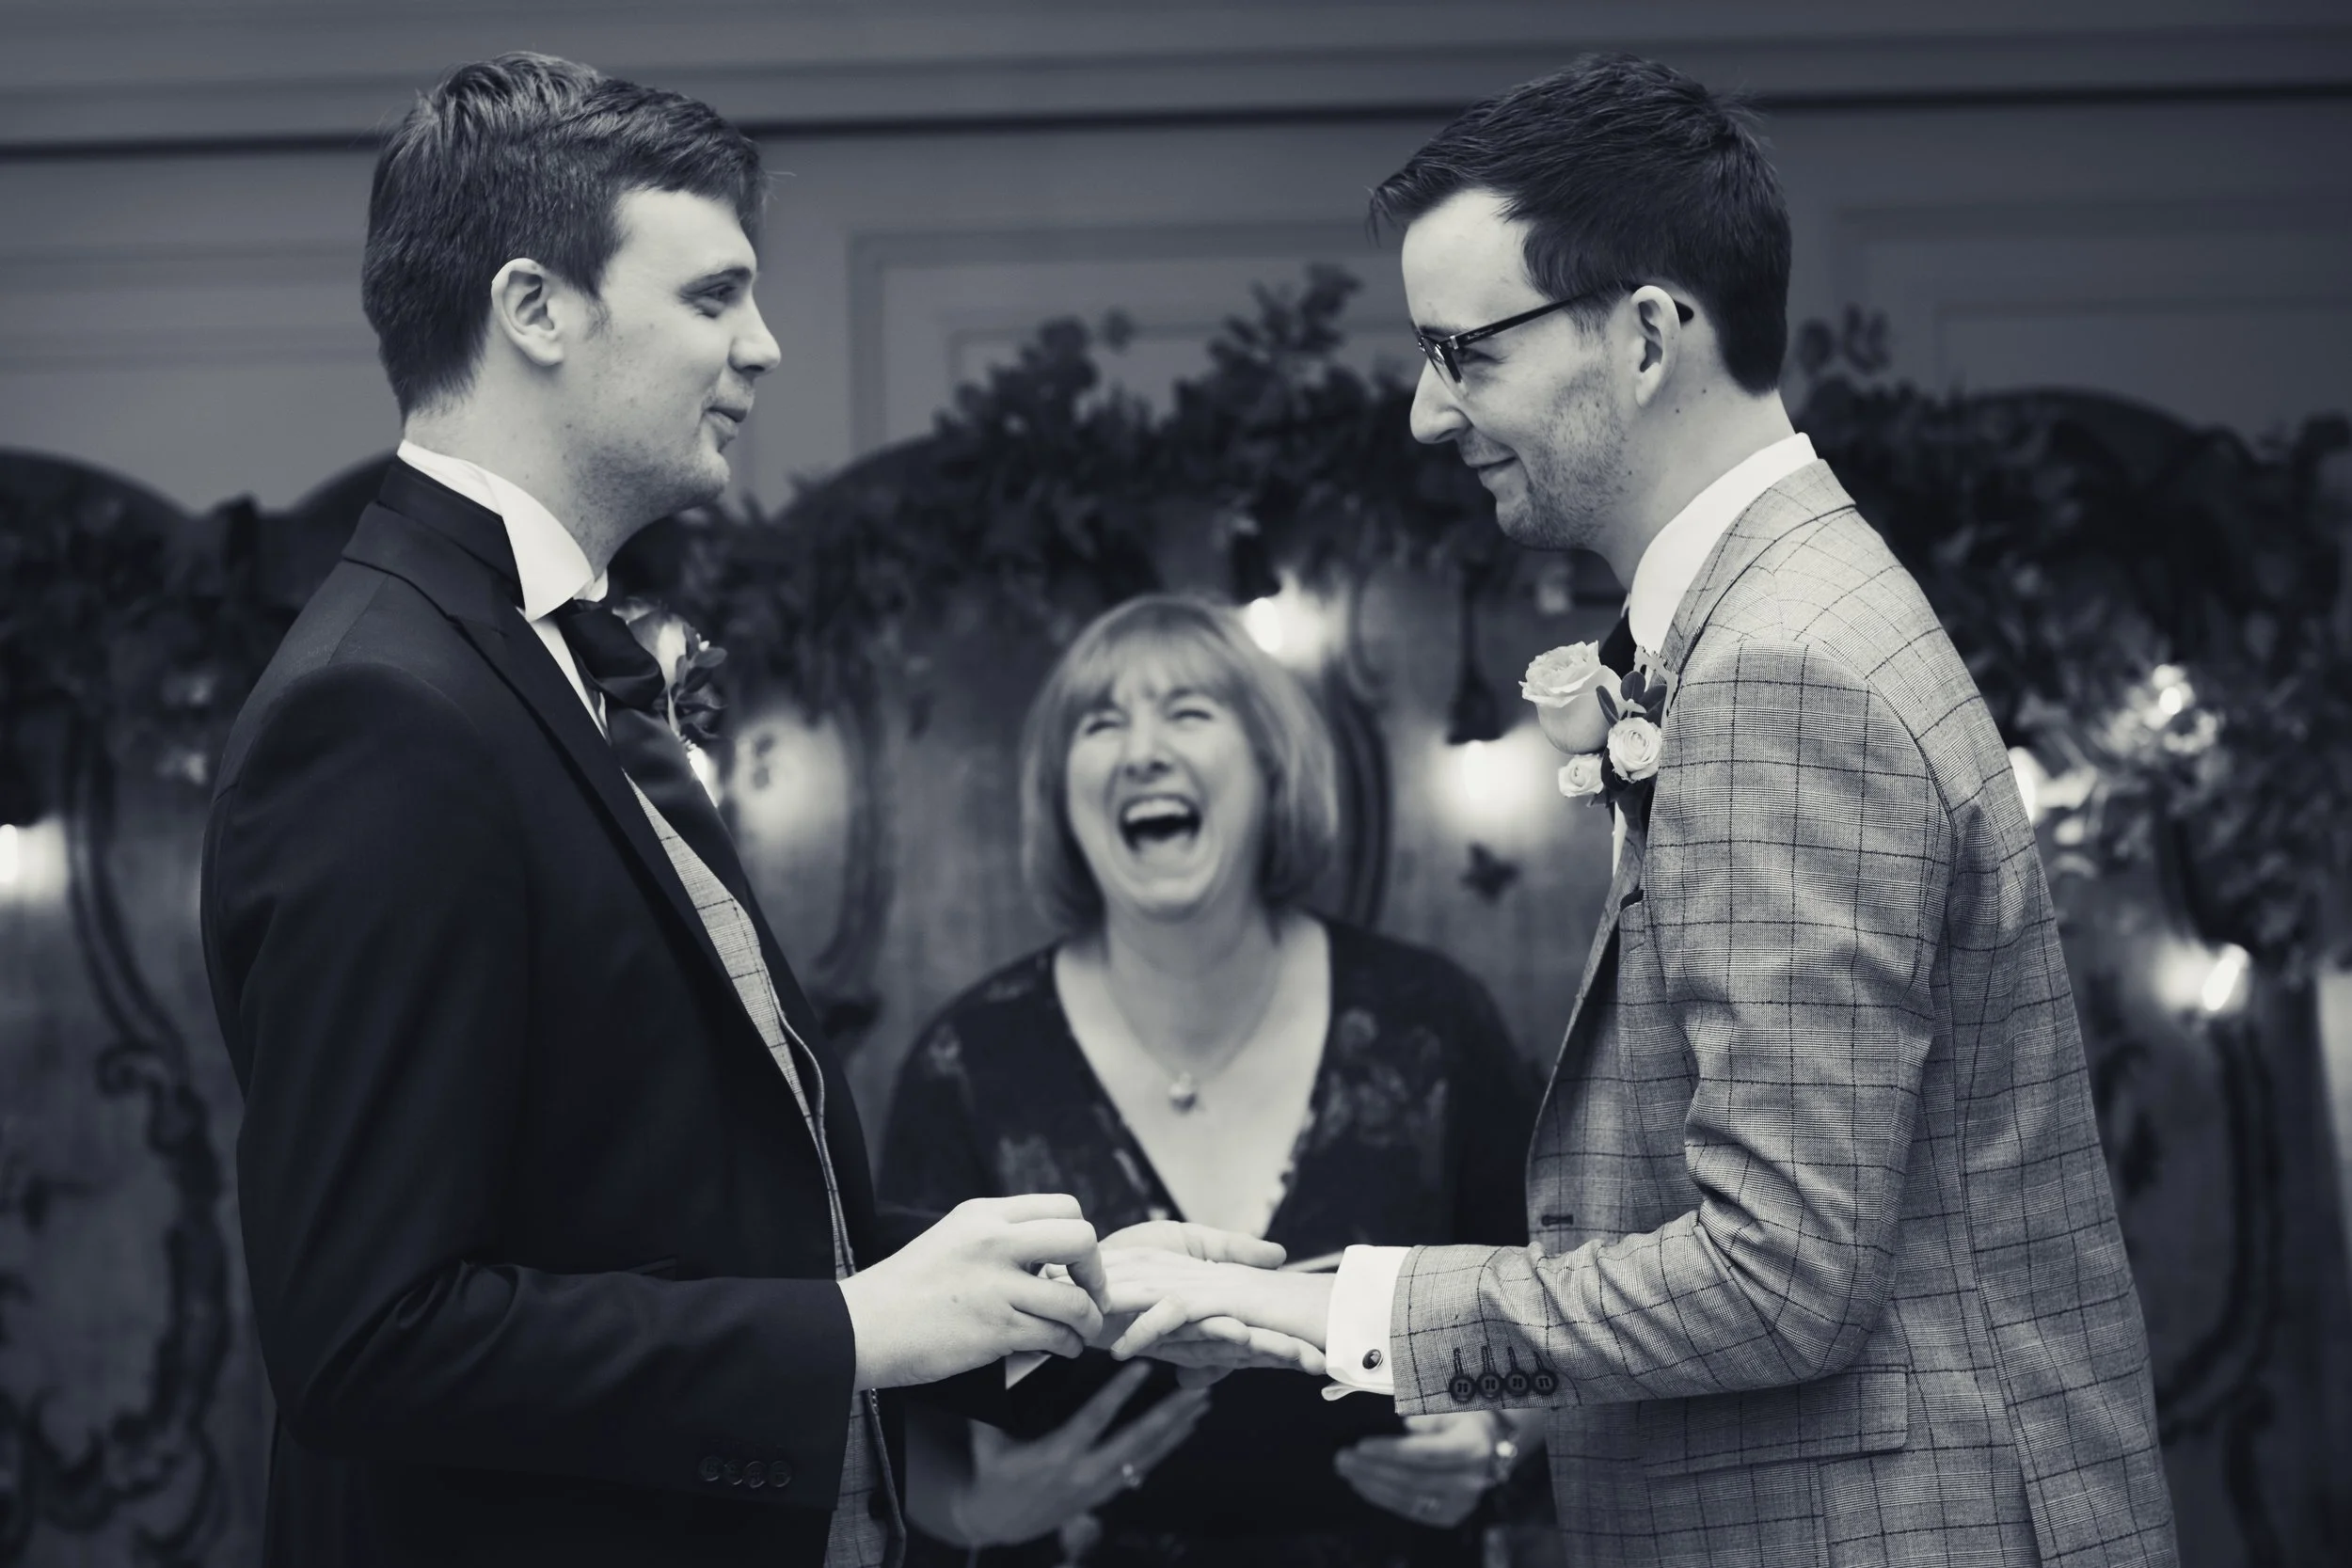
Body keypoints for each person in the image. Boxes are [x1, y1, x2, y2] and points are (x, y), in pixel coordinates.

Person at [1098, 55, 2181, 1567]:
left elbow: (1780, 1274)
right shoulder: (1776, 612)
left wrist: (1327, 1310)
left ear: (1650, 335)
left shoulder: (1781, 665)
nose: (1425, 412)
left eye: (1462, 352)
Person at [199, 55, 1253, 1568]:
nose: (763, 345)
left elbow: (662, 1219)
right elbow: (372, 1337)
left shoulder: (534, 661)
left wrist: (1060, 1287)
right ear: (534, 309)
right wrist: (852, 1329)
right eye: (713, 296)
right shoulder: (380, 709)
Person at [877, 595, 1542, 1568]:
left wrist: (1498, 1439)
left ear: (1273, 768)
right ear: (1061, 797)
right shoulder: (966, 1061)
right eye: (1101, 724)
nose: (1143, 751)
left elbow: (1553, 1303)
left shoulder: (1431, 1022)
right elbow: (889, 1386)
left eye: (1188, 711)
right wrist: (974, 1512)